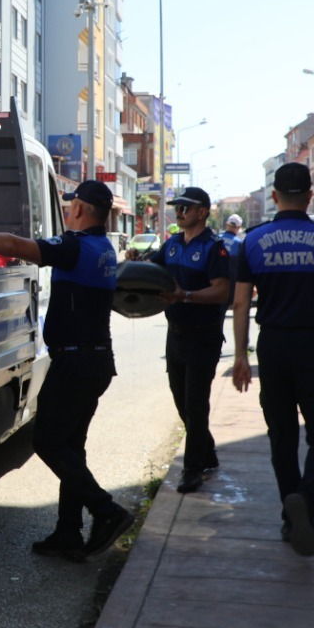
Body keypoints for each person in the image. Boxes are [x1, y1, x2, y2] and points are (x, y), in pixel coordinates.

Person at [0, 180, 132, 561]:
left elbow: (13, 246)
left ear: (78, 209)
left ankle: (107, 511)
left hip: (76, 362)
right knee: (71, 446)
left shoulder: (75, 247)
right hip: (94, 360)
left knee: (48, 442)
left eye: (71, 203)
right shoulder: (103, 248)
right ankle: (69, 532)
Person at [231, 162, 314, 557]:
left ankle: (291, 513)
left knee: (282, 434)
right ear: (310, 196)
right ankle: (306, 500)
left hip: (273, 346)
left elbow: (239, 302)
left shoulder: (252, 240)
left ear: (274, 195)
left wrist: (240, 355)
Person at [134, 187, 235, 495]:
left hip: (203, 337)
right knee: (181, 402)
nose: (179, 212)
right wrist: (137, 260)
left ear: (202, 212)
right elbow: (154, 267)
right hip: (174, 334)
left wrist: (186, 296)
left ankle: (193, 469)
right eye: (177, 207)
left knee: (195, 404)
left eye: (185, 207)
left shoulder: (214, 248)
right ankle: (207, 451)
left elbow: (222, 292)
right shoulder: (174, 243)